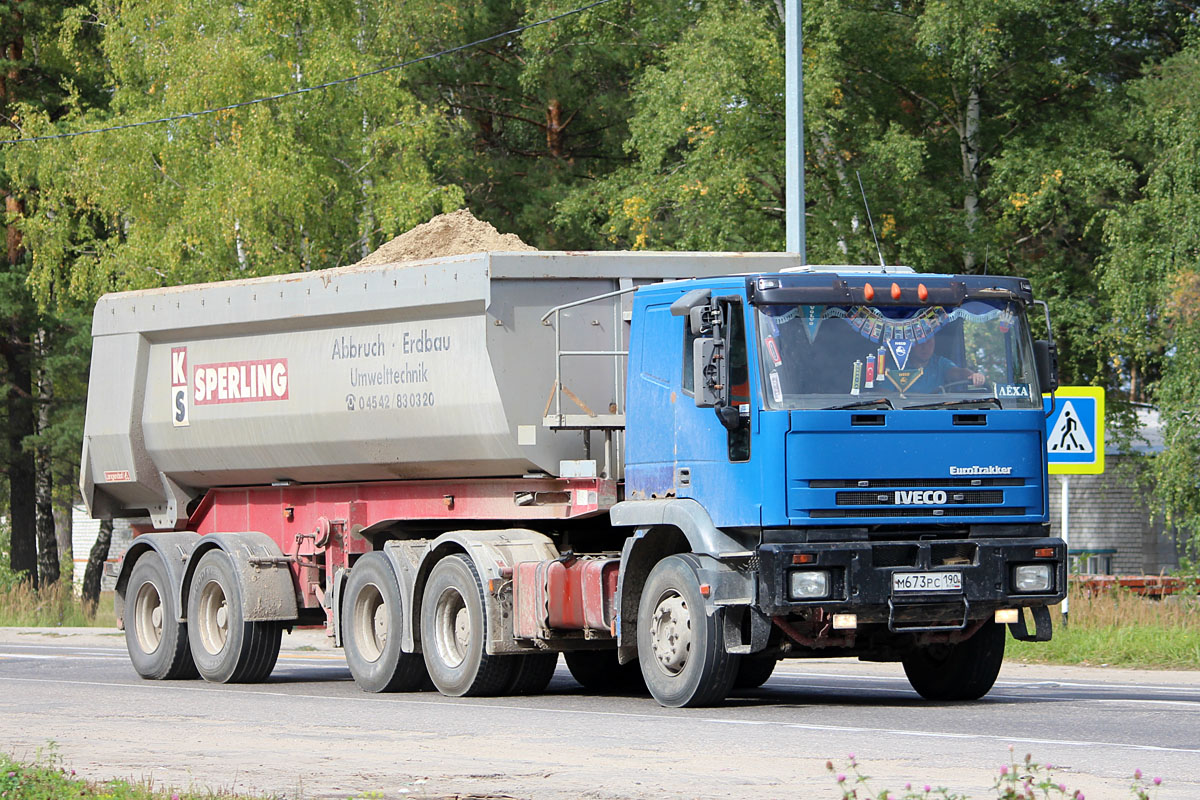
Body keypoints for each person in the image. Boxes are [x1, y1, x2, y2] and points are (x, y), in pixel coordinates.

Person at [906, 336, 985, 393]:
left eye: (929, 342)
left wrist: (973, 376)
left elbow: (958, 373)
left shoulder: (940, 363)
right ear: (910, 344)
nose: (925, 347)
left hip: (937, 412)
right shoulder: (898, 364)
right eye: (920, 342)